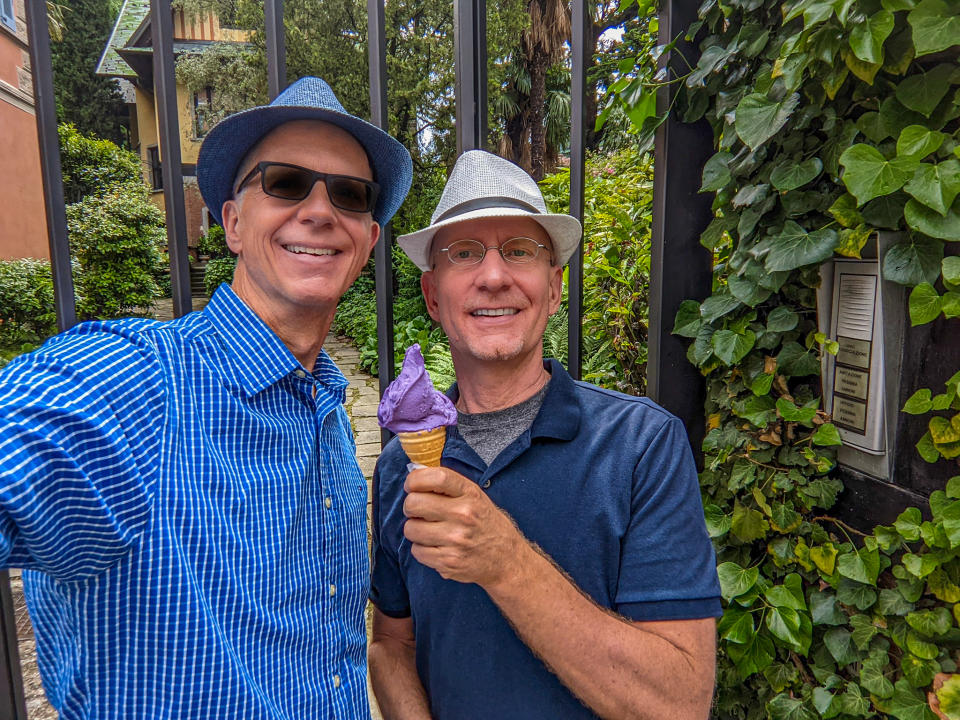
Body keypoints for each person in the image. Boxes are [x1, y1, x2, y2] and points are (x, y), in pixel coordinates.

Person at [0, 77, 411, 719]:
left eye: (352, 195)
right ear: (233, 222)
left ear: (367, 243)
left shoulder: (327, 405)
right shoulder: (137, 380)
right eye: (285, 182)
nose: (320, 209)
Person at [369, 150, 721, 720]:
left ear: (554, 289)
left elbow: (678, 705)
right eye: (463, 254)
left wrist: (505, 560)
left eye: (519, 251)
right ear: (433, 296)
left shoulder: (643, 446)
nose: (493, 275)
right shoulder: (398, 468)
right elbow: (392, 643)